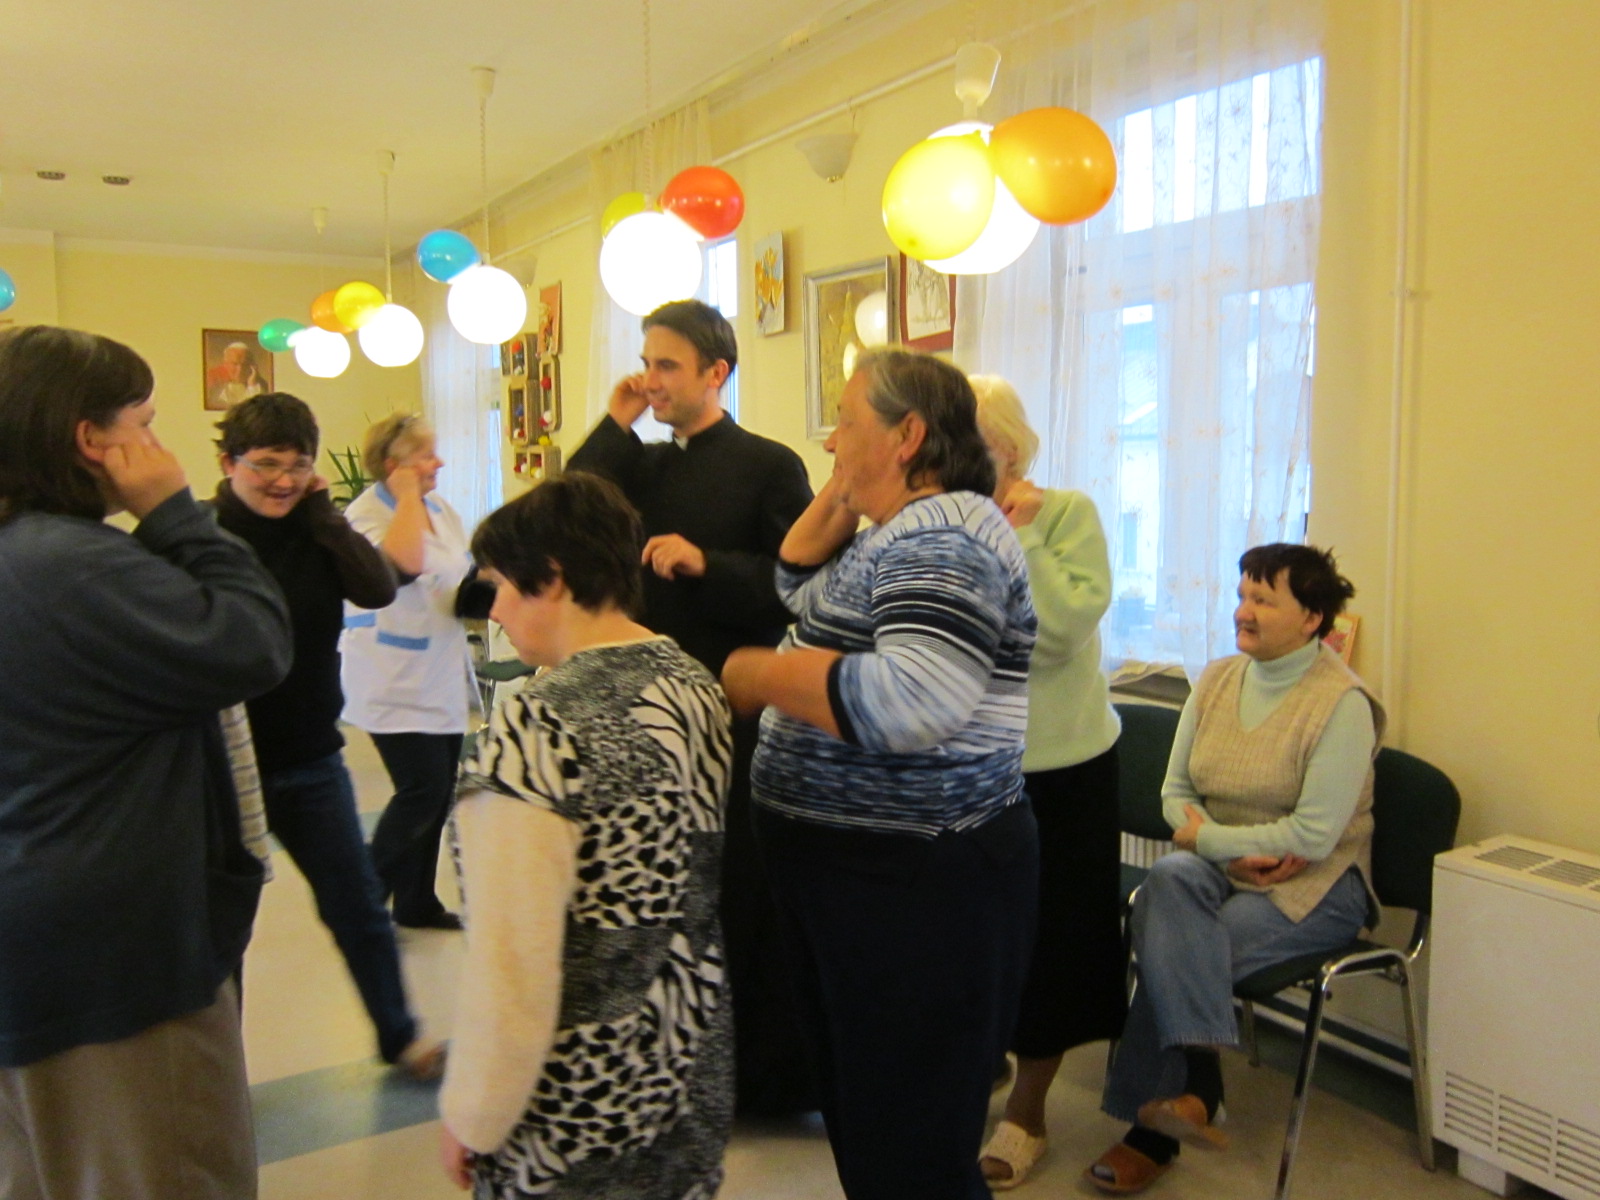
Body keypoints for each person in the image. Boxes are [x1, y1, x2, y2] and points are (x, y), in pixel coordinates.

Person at [722, 348, 1039, 1200]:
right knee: (875, 1127)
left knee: (912, 1152)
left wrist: (762, 675)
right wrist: (848, 486)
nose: (829, 440)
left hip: (916, 887)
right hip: (870, 880)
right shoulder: (902, 530)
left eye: (845, 422)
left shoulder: (945, 538)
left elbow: (913, 700)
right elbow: (798, 581)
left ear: (908, 437)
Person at [0, 325, 292, 1198]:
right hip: (114, 954)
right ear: (92, 439)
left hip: (40, 928)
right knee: (165, 1168)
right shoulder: (71, 565)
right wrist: (174, 512)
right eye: (146, 423)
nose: (159, 446)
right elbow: (254, 640)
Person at [438, 471, 734, 1198]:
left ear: (553, 578)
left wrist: (473, 1113)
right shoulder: (690, 683)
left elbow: (513, 961)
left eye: (501, 586)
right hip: (688, 1064)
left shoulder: (537, 725)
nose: (494, 610)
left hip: (575, 1101)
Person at [568, 298, 816, 1115]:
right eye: (646, 362)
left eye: (667, 365)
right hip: (640, 709)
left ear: (718, 372)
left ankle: (756, 1081)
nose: (651, 379)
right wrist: (615, 424)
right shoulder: (640, 463)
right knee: (652, 892)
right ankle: (660, 1065)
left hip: (727, 708)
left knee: (732, 893)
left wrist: (708, 563)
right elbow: (569, 517)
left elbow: (801, 586)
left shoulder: (769, 464)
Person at [1087, 543, 1383, 1194]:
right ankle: (1201, 1081)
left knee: (1175, 947)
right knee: (1167, 881)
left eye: (1263, 600)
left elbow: (1313, 835)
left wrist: (1210, 837)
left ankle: (1152, 1136)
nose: (1243, 611)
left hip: (1312, 886)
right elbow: (1175, 794)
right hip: (1223, 866)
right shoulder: (1217, 679)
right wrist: (1224, 847)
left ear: (1312, 618)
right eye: (1242, 595)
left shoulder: (1342, 704)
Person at [210, 392, 444, 1077]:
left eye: (297, 464)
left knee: (358, 907)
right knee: (224, 928)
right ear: (228, 463)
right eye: (265, 464)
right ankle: (221, 1070)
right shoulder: (200, 536)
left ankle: (399, 1036)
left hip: (311, 757)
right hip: (221, 766)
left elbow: (377, 588)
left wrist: (323, 514)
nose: (282, 480)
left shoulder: (317, 529)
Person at [967, 376, 1126, 1189]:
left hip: (1062, 769)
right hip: (971, 765)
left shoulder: (1065, 515)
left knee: (1054, 947)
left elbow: (1056, 632)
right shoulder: (948, 521)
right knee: (972, 938)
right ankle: (977, 1071)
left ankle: (1027, 1113)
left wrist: (1019, 535)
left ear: (1007, 447)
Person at [341, 413, 475, 930]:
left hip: (439, 671)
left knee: (438, 794)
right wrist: (406, 496)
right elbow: (405, 564)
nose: (438, 463)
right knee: (421, 790)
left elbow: (459, 572)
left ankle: (416, 901)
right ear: (392, 465)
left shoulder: (440, 508)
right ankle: (363, 901)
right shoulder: (364, 518)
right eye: (425, 457)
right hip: (390, 676)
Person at [207, 341, 268, 409]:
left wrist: (252, 385)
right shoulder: (213, 379)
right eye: (234, 364)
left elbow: (258, 409)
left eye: (245, 364)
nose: (240, 369)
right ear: (225, 363)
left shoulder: (260, 383)